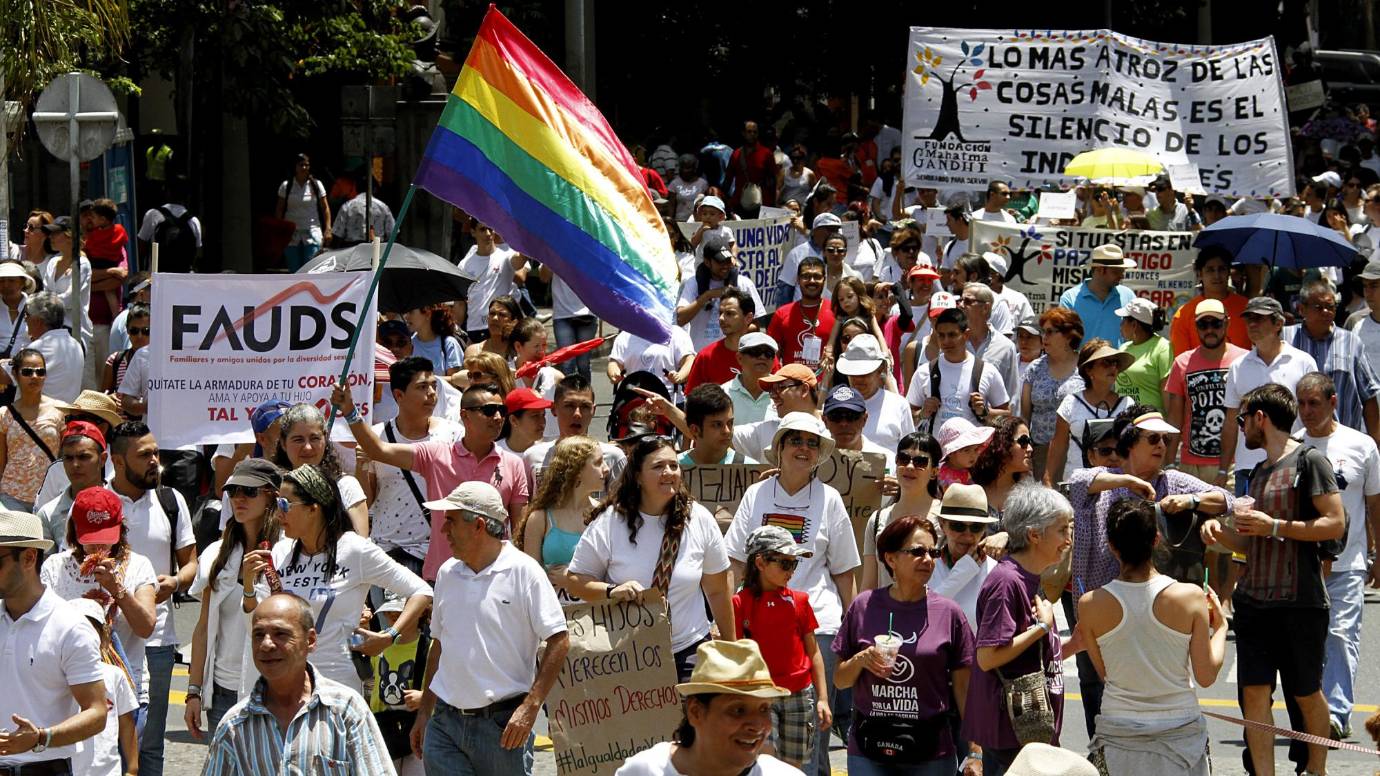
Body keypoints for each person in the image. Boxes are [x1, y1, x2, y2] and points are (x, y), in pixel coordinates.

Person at [1200, 383, 1345, 776]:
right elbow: (1253, 541)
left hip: (1300, 601)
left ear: (1260, 418)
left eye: (1243, 419)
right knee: (1254, 693)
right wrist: (1221, 534)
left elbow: (1334, 522)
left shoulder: (1309, 461)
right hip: (1254, 602)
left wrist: (1276, 525)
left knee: (1306, 693)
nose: (1241, 427)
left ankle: (1316, 770)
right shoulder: (1259, 472)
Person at [724, 412, 859, 775]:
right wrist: (725, 623)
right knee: (759, 734)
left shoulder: (830, 499)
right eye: (795, 440)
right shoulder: (756, 494)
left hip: (819, 626)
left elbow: (844, 571)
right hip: (759, 629)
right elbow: (734, 562)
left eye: (812, 442)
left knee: (812, 737)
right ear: (780, 447)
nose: (803, 448)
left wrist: (853, 628)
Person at [406, 482, 568, 776]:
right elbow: (438, 645)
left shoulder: (524, 572)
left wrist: (531, 707)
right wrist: (425, 712)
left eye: (451, 521)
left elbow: (559, 639)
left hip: (502, 729)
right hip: (444, 725)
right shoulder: (447, 573)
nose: (443, 530)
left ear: (478, 525)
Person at [245, 463, 432, 696]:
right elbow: (256, 620)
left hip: (337, 685)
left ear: (313, 509)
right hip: (284, 684)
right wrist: (249, 587)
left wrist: (389, 636)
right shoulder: (280, 551)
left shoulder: (355, 550)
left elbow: (422, 591)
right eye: (276, 504)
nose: (278, 513)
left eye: (285, 504)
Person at [566, 436, 735, 679]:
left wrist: (731, 650)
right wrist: (612, 591)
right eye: (658, 466)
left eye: (673, 465)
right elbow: (575, 581)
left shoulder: (699, 519)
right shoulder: (610, 522)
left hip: (690, 651)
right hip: (628, 657)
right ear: (637, 476)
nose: (668, 472)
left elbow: (718, 590)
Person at [1079, 500, 1227, 776]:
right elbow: (1206, 676)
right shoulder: (1190, 597)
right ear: (1156, 539)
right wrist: (1220, 628)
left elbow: (1106, 674)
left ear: (1111, 546)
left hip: (1119, 734)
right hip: (1180, 734)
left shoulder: (1089, 604)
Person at [333, 379, 529, 583]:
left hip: (497, 577)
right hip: (443, 578)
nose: (497, 417)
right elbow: (378, 450)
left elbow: (519, 531)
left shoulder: (514, 464)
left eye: (502, 410)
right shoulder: (436, 455)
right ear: (464, 415)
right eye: (488, 411)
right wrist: (350, 411)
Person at [835, 515, 977, 775]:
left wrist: (975, 752)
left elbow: (965, 690)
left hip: (931, 751)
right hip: (869, 748)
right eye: (917, 552)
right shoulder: (864, 606)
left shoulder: (949, 613)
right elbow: (840, 680)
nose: (928, 559)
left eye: (933, 552)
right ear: (891, 559)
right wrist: (861, 659)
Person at [202, 593, 397, 775]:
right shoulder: (234, 725)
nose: (266, 644)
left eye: (280, 634)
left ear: (310, 640)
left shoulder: (346, 710)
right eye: (258, 634)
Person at [105, 419, 199, 776]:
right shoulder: (96, 504)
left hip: (157, 640)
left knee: (150, 745)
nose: (155, 461)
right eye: (144, 455)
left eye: (156, 453)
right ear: (118, 461)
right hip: (106, 642)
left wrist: (175, 582)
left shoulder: (170, 500)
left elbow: (191, 562)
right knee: (107, 741)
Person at [965, 484, 1079, 775]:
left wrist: (1076, 643)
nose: (1068, 540)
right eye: (1062, 530)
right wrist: (1042, 627)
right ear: (1034, 535)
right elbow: (988, 657)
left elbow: (1029, 657)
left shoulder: (1029, 576)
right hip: (1011, 737)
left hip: (1028, 733)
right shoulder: (1007, 582)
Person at [1293, 372, 1380, 740]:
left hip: (1349, 563)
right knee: (1307, 643)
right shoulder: (1291, 446)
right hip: (1301, 565)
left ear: (1333, 403)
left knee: (1341, 636)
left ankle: (1336, 714)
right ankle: (1311, 712)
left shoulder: (1361, 445)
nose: (1307, 411)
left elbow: (1375, 505)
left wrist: (1378, 554)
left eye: (1314, 403)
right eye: (1301, 403)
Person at [184, 459, 284, 742]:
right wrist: (193, 691)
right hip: (223, 691)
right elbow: (203, 628)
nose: (239, 498)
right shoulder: (216, 554)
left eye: (249, 491)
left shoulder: (287, 553)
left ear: (272, 496)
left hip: (273, 688)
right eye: (233, 491)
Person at [0, 510, 107, 773]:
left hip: (44, 769)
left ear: (28, 558)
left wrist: (41, 738)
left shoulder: (70, 626)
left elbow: (97, 713)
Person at [614, 640, 798, 776]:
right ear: (695, 712)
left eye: (764, 709)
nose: (757, 726)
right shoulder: (643, 771)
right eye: (738, 710)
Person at [734, 526, 832, 769]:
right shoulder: (739, 603)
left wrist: (823, 698)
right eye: (785, 563)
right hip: (760, 694)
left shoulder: (799, 601)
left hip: (799, 694)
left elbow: (814, 652)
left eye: (794, 563)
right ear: (760, 563)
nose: (791, 571)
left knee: (792, 768)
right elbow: (735, 654)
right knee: (764, 762)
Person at [360, 357, 463, 580]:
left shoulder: (454, 435)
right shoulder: (375, 437)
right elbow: (367, 500)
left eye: (434, 385)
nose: (432, 393)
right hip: (387, 552)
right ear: (399, 395)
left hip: (440, 552)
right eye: (422, 387)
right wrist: (361, 466)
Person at [1218, 297, 1319, 494]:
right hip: (1247, 467)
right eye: (1249, 319)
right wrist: (1223, 469)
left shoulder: (1303, 362)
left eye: (1259, 318)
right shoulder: (1237, 367)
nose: (1252, 324)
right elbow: (1231, 421)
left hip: (1293, 462)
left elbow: (1314, 414)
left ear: (1278, 323)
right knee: (1246, 516)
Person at [1285, 277, 1380, 443]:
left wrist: (1375, 442)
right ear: (1301, 309)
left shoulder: (1351, 343)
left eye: (1330, 307)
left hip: (1344, 444)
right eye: (1318, 307)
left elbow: (1369, 396)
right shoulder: (1286, 339)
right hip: (1296, 443)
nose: (1326, 312)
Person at [1165, 299, 1249, 480]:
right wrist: (1169, 463)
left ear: (1227, 323)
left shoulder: (1244, 361)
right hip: (1192, 465)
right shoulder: (1182, 363)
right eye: (1203, 324)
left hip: (1234, 464)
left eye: (1216, 323)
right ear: (1196, 327)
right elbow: (1174, 418)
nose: (1209, 330)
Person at [519, 435, 607, 599]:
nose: (607, 468)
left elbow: (614, 571)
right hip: (554, 609)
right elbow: (529, 579)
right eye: (598, 463)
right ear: (577, 470)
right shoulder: (540, 518)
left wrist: (572, 581)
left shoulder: (606, 515)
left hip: (597, 611)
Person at [64, 597, 138, 776]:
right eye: (74, 634)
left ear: (104, 637)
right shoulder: (55, 677)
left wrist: (132, 768)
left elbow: (127, 724)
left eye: (89, 632)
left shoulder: (114, 675)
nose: (82, 641)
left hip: (107, 770)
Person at [1045, 340, 1134, 487]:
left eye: (1115, 363)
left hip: (1118, 484)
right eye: (1106, 363)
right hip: (1077, 484)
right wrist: (1047, 479)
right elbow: (1058, 446)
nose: (1113, 367)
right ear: (1089, 370)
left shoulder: (1128, 404)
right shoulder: (1071, 402)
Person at [271, 403, 369, 536]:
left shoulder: (345, 486)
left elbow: (359, 543)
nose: (307, 447)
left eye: (314, 438)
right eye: (298, 440)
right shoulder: (271, 489)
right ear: (283, 443)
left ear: (325, 438)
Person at [907, 308, 1010, 433]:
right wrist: (922, 413)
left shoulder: (987, 371)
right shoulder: (924, 372)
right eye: (941, 335)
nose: (946, 341)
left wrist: (985, 412)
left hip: (974, 445)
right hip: (936, 445)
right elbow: (908, 417)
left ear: (966, 335)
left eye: (952, 335)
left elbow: (1007, 415)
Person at [862, 432, 943, 590]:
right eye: (903, 459)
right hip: (885, 606)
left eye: (920, 462)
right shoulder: (877, 519)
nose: (910, 467)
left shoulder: (945, 518)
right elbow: (869, 586)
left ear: (934, 472)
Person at [523, 374, 625, 490]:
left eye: (585, 407)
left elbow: (622, 501)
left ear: (593, 410)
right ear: (554, 409)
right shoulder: (533, 457)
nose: (577, 414)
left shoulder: (612, 458)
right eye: (569, 406)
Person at [929, 483, 999, 636]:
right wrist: (961, 574)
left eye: (976, 527)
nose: (967, 535)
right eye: (958, 526)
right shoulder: (926, 566)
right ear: (942, 524)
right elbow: (922, 613)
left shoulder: (996, 572)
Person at [1022, 308, 1084, 479]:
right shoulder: (1034, 368)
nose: (1044, 337)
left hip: (1076, 451)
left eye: (1050, 332)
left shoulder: (1086, 367)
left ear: (1069, 335)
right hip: (1040, 452)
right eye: (1043, 332)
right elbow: (1025, 416)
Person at [0, 348, 63, 511]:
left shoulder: (59, 410)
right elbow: (1, 461)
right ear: (15, 374)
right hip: (10, 496)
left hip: (49, 496)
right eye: (27, 372)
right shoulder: (4, 414)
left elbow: (64, 457)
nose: (34, 376)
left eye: (40, 372)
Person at [677, 244, 765, 351]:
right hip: (701, 353)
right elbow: (680, 319)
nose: (725, 266)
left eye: (728, 261)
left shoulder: (744, 284)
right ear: (707, 262)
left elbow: (756, 325)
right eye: (720, 262)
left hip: (736, 354)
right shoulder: (693, 283)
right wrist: (708, 295)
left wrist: (735, 332)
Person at [0, 292, 83, 403]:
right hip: (66, 410)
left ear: (38, 321)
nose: (25, 319)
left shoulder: (38, 348)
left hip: (38, 412)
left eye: (27, 315)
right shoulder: (75, 344)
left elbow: (4, 375)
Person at [838, 334, 914, 452]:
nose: (858, 379)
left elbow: (910, 450)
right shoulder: (835, 405)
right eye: (853, 373)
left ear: (880, 369)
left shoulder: (899, 405)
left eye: (865, 373)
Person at [1168, 247, 1251, 355]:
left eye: (1221, 269)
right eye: (1210, 270)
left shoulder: (1247, 309)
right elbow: (1181, 360)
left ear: (1228, 272)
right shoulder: (1183, 315)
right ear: (1200, 274)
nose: (1217, 275)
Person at [1057, 244, 1137, 346]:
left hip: (1120, 357)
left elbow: (1136, 335)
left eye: (1122, 272)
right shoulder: (1069, 299)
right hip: (1082, 357)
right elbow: (1063, 340)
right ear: (1100, 270)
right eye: (1116, 272)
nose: (1121, 276)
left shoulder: (1128, 296)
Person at [683, 287, 761, 392]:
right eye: (720, 313)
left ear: (748, 318)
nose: (721, 318)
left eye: (729, 313)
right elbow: (691, 398)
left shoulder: (765, 355)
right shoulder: (705, 357)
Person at [768, 256, 836, 372]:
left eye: (817, 277)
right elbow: (771, 352)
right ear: (798, 280)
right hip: (791, 381)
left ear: (824, 279)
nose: (812, 281)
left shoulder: (836, 312)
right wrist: (779, 378)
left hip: (826, 381)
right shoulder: (782, 314)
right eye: (806, 276)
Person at [37, 217, 94, 349]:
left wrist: (47, 302)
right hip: (53, 331)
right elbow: (46, 295)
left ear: (69, 236)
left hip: (77, 333)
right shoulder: (52, 262)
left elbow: (69, 300)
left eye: (55, 233)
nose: (50, 237)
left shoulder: (82, 264)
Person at [960, 282, 1022, 398]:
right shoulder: (954, 342)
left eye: (967, 301)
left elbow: (1012, 394)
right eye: (961, 300)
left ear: (985, 308)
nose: (961, 305)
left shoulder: (1005, 347)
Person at [970, 415, 1034, 524]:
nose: (1030, 449)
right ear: (1002, 443)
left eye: (1030, 441)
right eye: (1024, 441)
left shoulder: (1031, 494)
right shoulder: (971, 486)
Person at [608, 320, 696, 397]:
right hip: (632, 398)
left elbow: (689, 360)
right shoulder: (625, 335)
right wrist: (614, 374)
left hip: (669, 398)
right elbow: (614, 362)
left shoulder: (676, 333)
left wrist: (680, 376)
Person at [275, 153, 332, 270]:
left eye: (307, 165)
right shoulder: (286, 186)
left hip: (312, 232)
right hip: (291, 235)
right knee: (294, 270)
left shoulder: (316, 185)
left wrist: (328, 229)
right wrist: (279, 231)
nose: (304, 168)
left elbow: (325, 208)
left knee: (310, 269)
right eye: (301, 165)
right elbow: (279, 209)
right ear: (295, 167)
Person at [1114, 297, 1173, 411]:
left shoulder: (1163, 348)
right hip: (1123, 419)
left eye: (1123, 320)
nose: (1120, 325)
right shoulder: (1123, 348)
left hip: (1151, 419)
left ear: (1134, 325)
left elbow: (1168, 393)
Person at [776, 213, 844, 308]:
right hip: (802, 312)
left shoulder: (840, 252)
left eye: (835, 230)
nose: (832, 234)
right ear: (815, 231)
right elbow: (785, 290)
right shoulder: (797, 254)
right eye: (829, 229)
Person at [681, 384, 754, 470]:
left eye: (730, 423)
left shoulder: (751, 470)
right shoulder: (673, 469)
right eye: (717, 425)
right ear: (695, 430)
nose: (727, 431)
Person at [821, 385, 895, 468]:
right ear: (825, 421)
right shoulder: (814, 460)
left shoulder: (887, 461)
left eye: (852, 416)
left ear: (864, 419)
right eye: (836, 416)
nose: (844, 423)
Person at [721, 331, 777, 425]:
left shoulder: (783, 393)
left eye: (768, 353)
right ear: (739, 358)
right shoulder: (722, 394)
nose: (762, 357)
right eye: (755, 352)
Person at [402, 306, 464, 385]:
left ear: (428, 314)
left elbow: (456, 382)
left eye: (411, 312)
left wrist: (422, 380)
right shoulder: (408, 345)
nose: (406, 316)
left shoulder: (449, 343)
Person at [331, 179, 397, 248]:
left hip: (352, 248)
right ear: (374, 189)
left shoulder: (348, 206)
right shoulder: (383, 207)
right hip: (376, 249)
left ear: (356, 188)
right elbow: (393, 233)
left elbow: (337, 233)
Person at [101, 303, 148, 396]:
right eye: (134, 331)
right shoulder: (115, 361)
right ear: (127, 330)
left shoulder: (162, 362)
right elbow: (103, 400)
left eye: (146, 331)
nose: (140, 336)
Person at [464, 296, 522, 363]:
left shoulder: (521, 352)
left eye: (502, 315)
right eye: (492, 313)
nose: (495, 318)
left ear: (514, 321)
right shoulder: (474, 352)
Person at [499, 387, 549, 461]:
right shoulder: (495, 452)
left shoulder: (549, 452)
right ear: (513, 420)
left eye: (543, 415)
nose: (543, 422)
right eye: (535, 416)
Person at [669, 153, 710, 222]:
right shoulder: (674, 184)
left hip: (697, 221)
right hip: (680, 221)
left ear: (694, 168)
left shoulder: (702, 183)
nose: (685, 171)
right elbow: (671, 205)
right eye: (683, 168)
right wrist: (670, 221)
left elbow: (707, 204)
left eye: (688, 168)